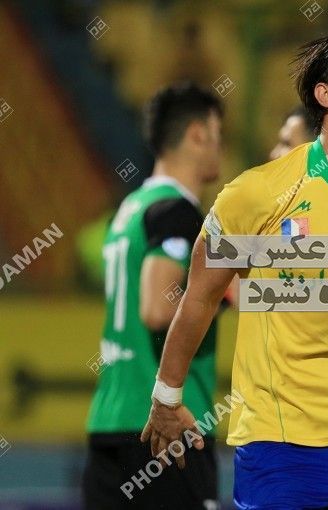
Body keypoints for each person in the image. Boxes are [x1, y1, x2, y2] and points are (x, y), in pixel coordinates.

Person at [141, 27, 328, 509]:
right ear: (325, 94)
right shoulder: (255, 193)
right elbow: (199, 297)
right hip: (278, 446)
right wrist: (166, 395)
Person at [83, 83, 224, 509]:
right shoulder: (177, 211)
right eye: (218, 135)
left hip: (109, 420)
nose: (221, 148)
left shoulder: (128, 211)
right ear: (197, 134)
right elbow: (158, 308)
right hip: (165, 428)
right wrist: (218, 292)